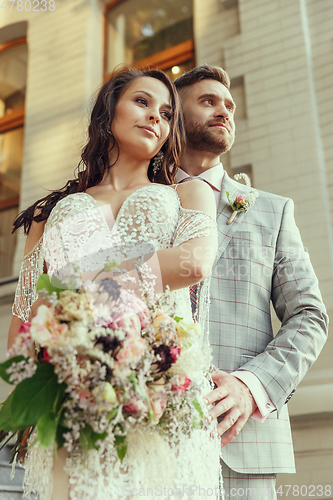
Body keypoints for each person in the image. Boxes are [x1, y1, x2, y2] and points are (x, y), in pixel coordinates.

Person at [8, 68, 221, 500]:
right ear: (109, 112)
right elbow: (22, 325)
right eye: (142, 102)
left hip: (158, 392)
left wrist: (76, 287)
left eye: (165, 113)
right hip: (73, 397)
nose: (155, 117)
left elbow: (195, 262)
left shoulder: (186, 195)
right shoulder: (48, 215)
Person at [174, 64, 328, 499]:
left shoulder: (272, 212)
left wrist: (250, 386)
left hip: (241, 445)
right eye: (208, 101)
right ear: (173, 115)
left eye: (229, 105)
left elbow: (310, 316)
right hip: (146, 437)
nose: (224, 111)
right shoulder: (140, 203)